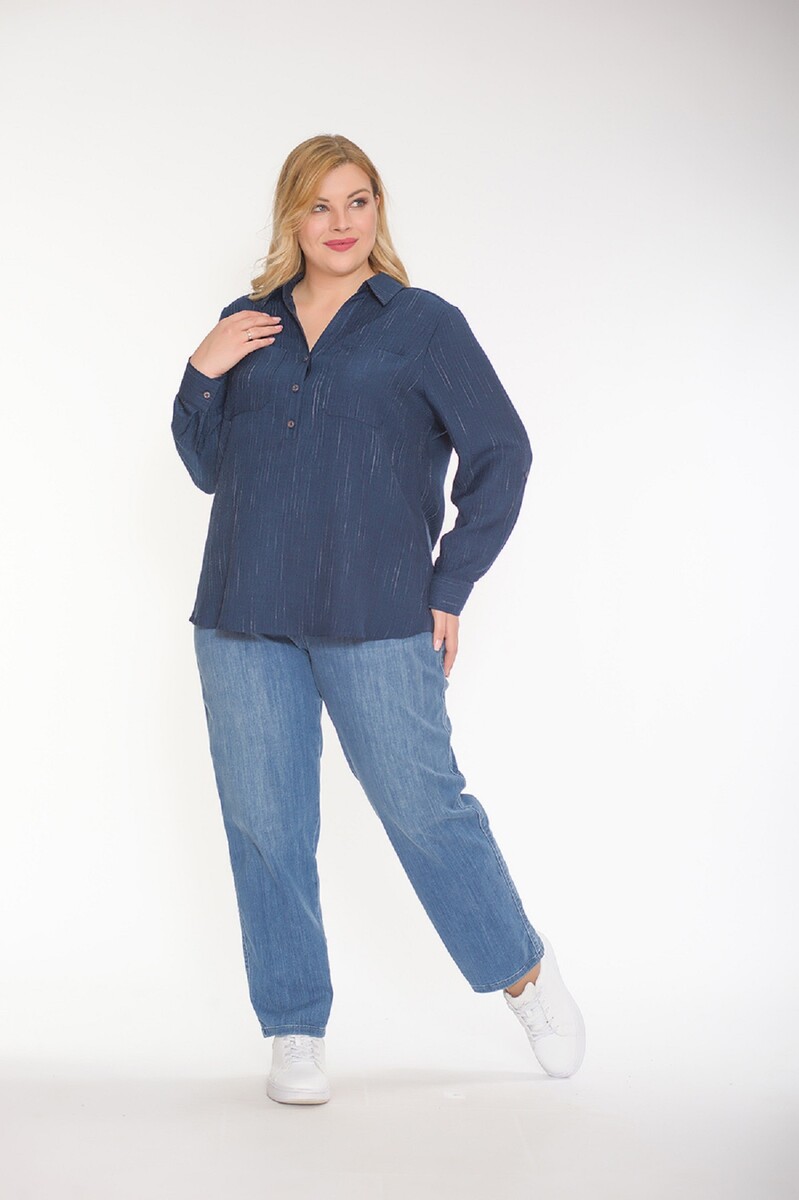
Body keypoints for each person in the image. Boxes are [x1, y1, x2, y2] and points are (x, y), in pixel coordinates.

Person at [171, 133, 585, 1105]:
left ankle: (524, 977)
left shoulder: (424, 325)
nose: (341, 223)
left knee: (423, 808)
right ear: (292, 216)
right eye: (320, 205)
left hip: (378, 610)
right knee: (265, 825)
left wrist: (450, 585)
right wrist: (201, 367)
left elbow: (502, 452)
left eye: (357, 201)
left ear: (377, 210)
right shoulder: (247, 324)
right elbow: (206, 467)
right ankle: (294, 1029)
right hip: (244, 610)